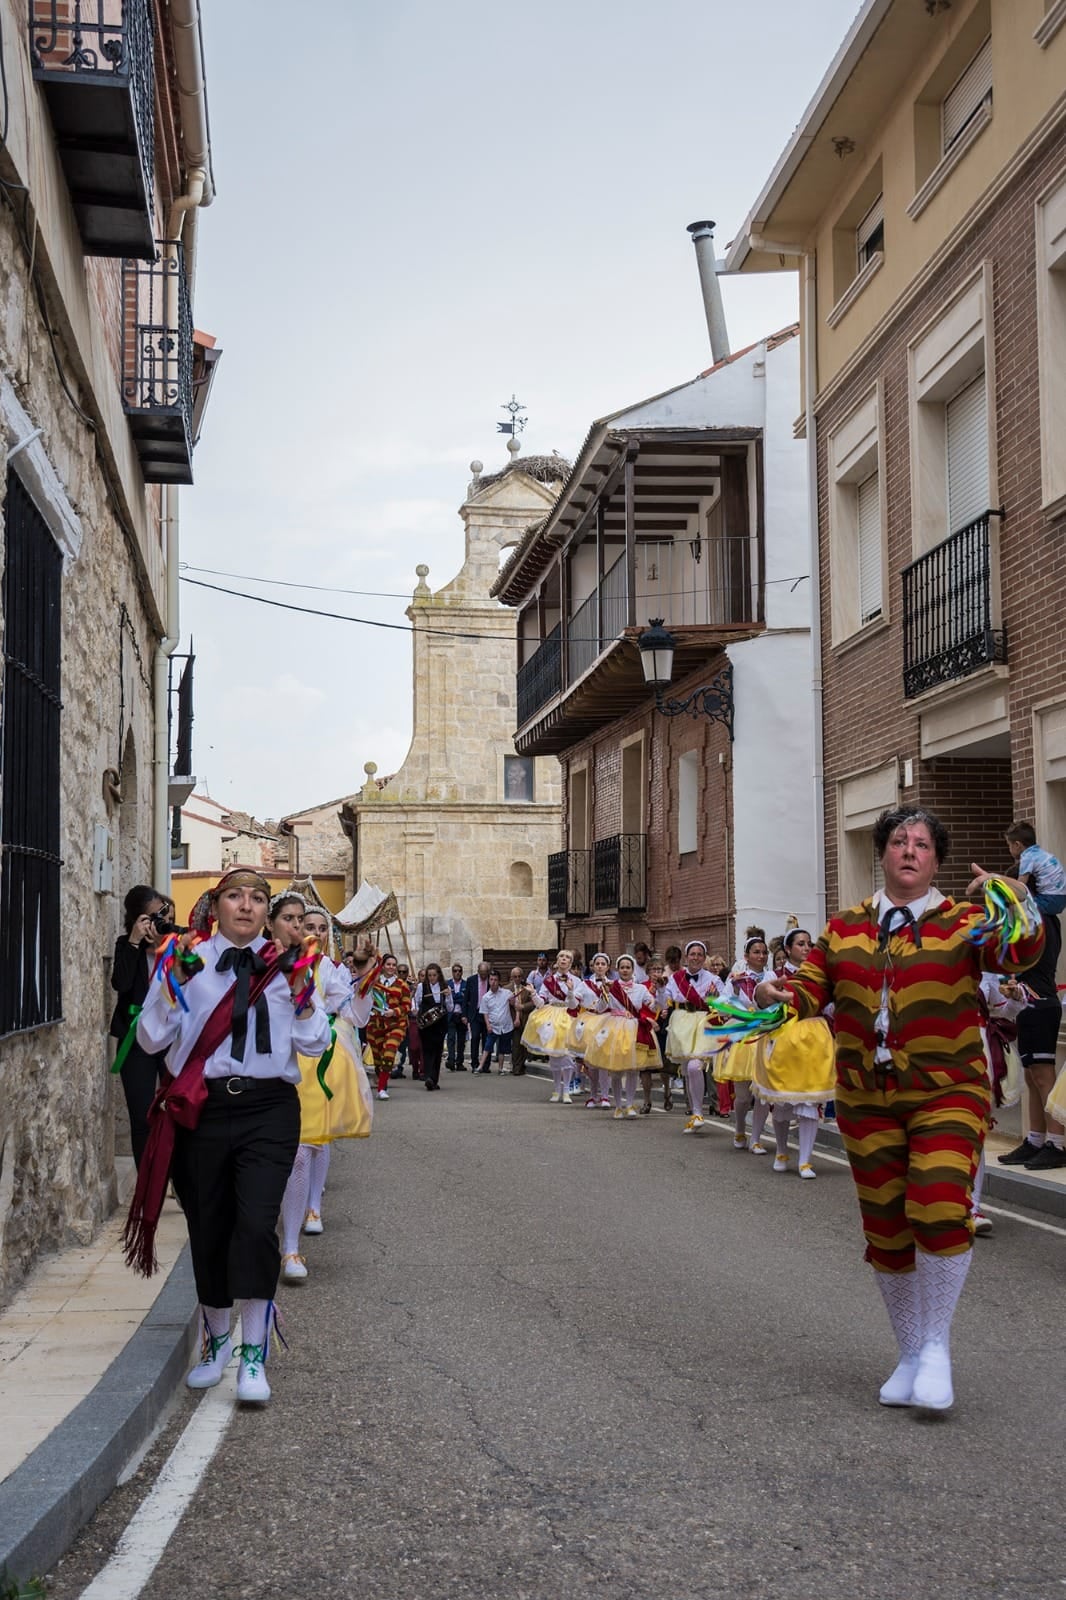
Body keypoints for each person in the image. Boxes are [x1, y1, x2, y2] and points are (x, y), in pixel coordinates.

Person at [756, 806, 1044, 1413]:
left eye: (921, 844)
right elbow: (809, 989)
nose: (909, 850)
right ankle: (910, 1353)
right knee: (886, 1229)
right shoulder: (844, 928)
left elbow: (1019, 954)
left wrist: (1016, 898)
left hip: (949, 1091)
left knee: (937, 1205)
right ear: (882, 853)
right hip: (866, 1098)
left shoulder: (965, 922)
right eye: (898, 841)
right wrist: (773, 993)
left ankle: (936, 1347)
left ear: (935, 861)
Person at [131, 865, 331, 1405]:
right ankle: (217, 1340)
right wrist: (170, 987)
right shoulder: (186, 960)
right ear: (215, 906)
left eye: (257, 898)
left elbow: (314, 1044)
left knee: (256, 1225)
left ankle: (254, 1353)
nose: (246, 906)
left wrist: (303, 992)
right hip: (204, 1110)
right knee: (210, 1226)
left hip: (269, 1109)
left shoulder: (291, 965)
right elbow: (149, 1040)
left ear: (267, 912)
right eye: (235, 896)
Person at [276, 902, 378, 1284]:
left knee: (307, 1150)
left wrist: (365, 978)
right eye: (306, 925)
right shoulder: (270, 964)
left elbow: (354, 1014)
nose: (314, 933)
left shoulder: (330, 971)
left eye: (321, 927)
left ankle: (295, 1239)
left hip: (317, 1066)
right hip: (279, 1065)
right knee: (287, 1155)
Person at [998, 821, 1066, 1171]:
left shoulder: (1041, 921)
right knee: (1030, 1075)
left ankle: (1057, 1142)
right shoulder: (1027, 923)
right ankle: (1035, 1139)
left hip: (1040, 1002)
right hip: (1029, 1002)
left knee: (1042, 1073)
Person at [110, 885, 172, 1167]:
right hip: (135, 1038)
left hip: (170, 1037)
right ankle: (147, 1179)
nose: (160, 921)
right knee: (142, 1115)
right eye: (153, 917)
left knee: (177, 1111)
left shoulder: (174, 948)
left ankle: (176, 1176)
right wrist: (135, 942)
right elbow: (121, 984)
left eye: (163, 915)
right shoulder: (127, 945)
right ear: (137, 919)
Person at [718, 929, 771, 1152]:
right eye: (756, 952)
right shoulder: (737, 979)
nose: (761, 956)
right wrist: (735, 1000)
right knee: (743, 1096)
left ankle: (756, 1137)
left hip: (766, 1034)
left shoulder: (772, 978)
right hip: (743, 1036)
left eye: (764, 952)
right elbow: (722, 1005)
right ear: (746, 956)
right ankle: (740, 1128)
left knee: (763, 1092)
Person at [664, 940, 725, 1133]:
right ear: (686, 956)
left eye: (700, 954)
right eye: (692, 954)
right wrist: (659, 991)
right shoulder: (676, 978)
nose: (696, 958)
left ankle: (698, 1112)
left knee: (695, 1066)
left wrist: (715, 1000)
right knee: (687, 1070)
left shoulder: (714, 979)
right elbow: (663, 1000)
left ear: (704, 957)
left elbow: (723, 1004)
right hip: (682, 1023)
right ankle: (694, 1114)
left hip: (703, 1023)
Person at [521, 949, 587, 1103]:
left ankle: (567, 1091)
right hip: (552, 1016)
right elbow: (540, 1003)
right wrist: (533, 993)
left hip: (568, 1016)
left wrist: (570, 991)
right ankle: (557, 1090)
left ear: (570, 963)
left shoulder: (577, 981)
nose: (564, 959)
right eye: (561, 957)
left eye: (567, 957)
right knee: (554, 1056)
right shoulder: (549, 980)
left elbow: (574, 1005)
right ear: (557, 961)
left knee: (567, 1056)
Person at [366, 954, 411, 1098]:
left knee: (389, 1053)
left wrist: (394, 1011)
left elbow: (407, 1006)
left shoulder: (402, 985)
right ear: (383, 966)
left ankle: (382, 1089)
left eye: (393, 965)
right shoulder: (373, 982)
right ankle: (381, 1081)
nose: (391, 967)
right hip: (376, 1025)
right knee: (378, 1058)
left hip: (396, 1025)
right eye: (388, 964)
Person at [641, 954, 675, 1113]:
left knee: (664, 1065)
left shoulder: (668, 987)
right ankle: (647, 1100)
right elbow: (638, 1007)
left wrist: (666, 1012)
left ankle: (667, 1092)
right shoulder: (642, 987)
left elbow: (672, 1004)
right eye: (653, 970)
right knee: (645, 1067)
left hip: (662, 1026)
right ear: (648, 971)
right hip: (646, 1026)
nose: (656, 973)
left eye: (659, 970)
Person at [413, 962, 453, 1089]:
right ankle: (428, 1077)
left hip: (440, 1024)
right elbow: (416, 1001)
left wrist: (448, 996)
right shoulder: (422, 987)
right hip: (426, 1024)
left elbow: (450, 1007)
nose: (432, 978)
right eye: (429, 975)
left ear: (439, 975)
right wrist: (415, 1010)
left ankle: (434, 1080)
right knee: (427, 1050)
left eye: (434, 975)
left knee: (437, 1051)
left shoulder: (445, 987)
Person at [477, 969, 515, 1073]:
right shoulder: (486, 997)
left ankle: (500, 1068)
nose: (493, 982)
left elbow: (513, 1003)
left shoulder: (506, 993)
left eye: (495, 980)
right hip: (493, 1026)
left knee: (502, 1048)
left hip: (506, 1025)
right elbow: (485, 1012)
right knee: (487, 1046)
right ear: (489, 981)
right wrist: (488, 1025)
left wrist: (513, 1001)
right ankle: (480, 1066)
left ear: (499, 981)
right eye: (491, 979)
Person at [509, 967, 536, 1075]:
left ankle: (521, 1066)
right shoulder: (507, 989)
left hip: (525, 1020)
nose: (517, 978)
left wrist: (523, 1006)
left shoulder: (527, 988)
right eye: (515, 976)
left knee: (524, 1046)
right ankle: (516, 1067)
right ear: (512, 977)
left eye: (519, 976)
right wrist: (510, 1003)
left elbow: (533, 1002)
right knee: (516, 1045)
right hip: (513, 1020)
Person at [465, 961, 492, 1069]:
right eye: (481, 973)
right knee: (475, 1037)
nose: (483, 975)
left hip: (488, 1014)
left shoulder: (491, 980)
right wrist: (464, 1015)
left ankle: (486, 1065)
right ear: (478, 971)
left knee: (487, 1039)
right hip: (475, 1014)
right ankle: (474, 1063)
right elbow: (466, 998)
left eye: (485, 973)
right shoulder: (471, 980)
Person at [446, 963, 469, 1069]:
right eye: (455, 971)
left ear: (462, 972)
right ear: (452, 972)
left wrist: (454, 997)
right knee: (451, 1038)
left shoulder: (466, 984)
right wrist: (459, 996)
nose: (457, 973)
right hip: (451, 1015)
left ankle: (459, 1062)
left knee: (461, 1040)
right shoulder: (447, 984)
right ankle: (451, 1060)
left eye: (459, 971)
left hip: (462, 1015)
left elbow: (466, 999)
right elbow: (448, 998)